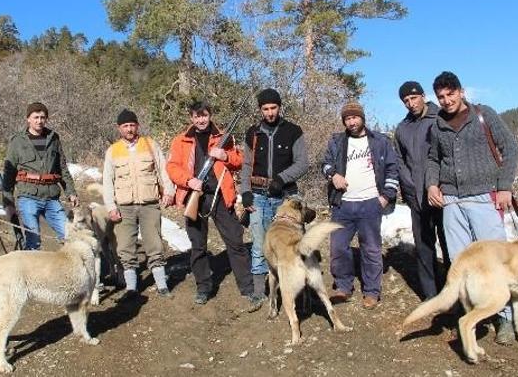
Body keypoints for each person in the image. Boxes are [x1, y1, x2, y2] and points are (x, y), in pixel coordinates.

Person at [425, 71, 518, 343]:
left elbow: (510, 148)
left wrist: (504, 186)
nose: (446, 100)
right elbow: (433, 159)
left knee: (495, 260)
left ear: (461, 91)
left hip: (484, 196)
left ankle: (506, 320)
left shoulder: (483, 114)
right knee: (460, 262)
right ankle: (473, 318)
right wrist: (432, 185)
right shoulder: (437, 125)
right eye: (441, 96)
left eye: (450, 94)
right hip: (452, 201)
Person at [166, 101, 256, 307]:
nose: (201, 120)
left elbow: (239, 161)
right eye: (197, 116)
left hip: (220, 196)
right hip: (193, 196)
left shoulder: (224, 137)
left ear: (210, 115)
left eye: (204, 115)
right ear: (191, 118)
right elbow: (172, 167)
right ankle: (203, 288)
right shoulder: (180, 140)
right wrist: (189, 181)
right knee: (198, 246)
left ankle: (247, 287)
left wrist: (225, 155)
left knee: (235, 240)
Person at [322, 100, 399, 310]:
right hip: (343, 204)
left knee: (371, 249)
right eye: (347, 119)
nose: (351, 122)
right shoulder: (337, 141)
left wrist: (386, 196)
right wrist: (333, 174)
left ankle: (372, 291)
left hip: (370, 203)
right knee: (338, 247)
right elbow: (325, 164)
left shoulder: (380, 141)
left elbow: (393, 169)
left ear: (362, 118)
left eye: (355, 117)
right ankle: (344, 286)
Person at [240, 88, 308, 307]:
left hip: (286, 198)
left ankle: (300, 290)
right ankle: (261, 291)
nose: (270, 112)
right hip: (258, 194)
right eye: (265, 108)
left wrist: (282, 178)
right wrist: (245, 192)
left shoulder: (293, 131)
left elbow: (302, 163)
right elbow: (247, 165)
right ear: (260, 109)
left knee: (293, 243)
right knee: (260, 243)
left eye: (273, 108)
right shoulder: (252, 133)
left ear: (280, 107)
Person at [102, 109, 176, 300]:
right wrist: (111, 206)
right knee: (125, 247)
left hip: (149, 204)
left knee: (155, 244)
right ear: (119, 128)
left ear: (137, 126)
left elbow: (162, 168)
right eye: (125, 126)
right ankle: (132, 288)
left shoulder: (150, 145)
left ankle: (161, 285)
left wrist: (169, 190)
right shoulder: (113, 151)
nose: (129, 129)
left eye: (132, 125)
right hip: (124, 206)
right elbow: (107, 182)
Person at [394, 81, 449, 300]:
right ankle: (430, 295)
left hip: (443, 195)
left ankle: (454, 289)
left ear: (423, 96)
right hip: (417, 198)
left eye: (414, 98)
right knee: (424, 247)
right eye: (406, 101)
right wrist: (409, 188)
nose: (410, 103)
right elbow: (400, 160)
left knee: (449, 244)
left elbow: (447, 155)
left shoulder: (440, 118)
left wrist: (442, 186)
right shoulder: (402, 128)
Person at [2, 102, 77, 250]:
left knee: (70, 236)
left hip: (51, 198)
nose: (39, 120)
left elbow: (62, 168)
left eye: (43, 117)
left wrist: (71, 192)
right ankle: (32, 273)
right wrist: (8, 203)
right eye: (35, 117)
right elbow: (9, 174)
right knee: (33, 241)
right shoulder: (17, 141)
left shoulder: (53, 138)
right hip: (28, 197)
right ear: (28, 119)